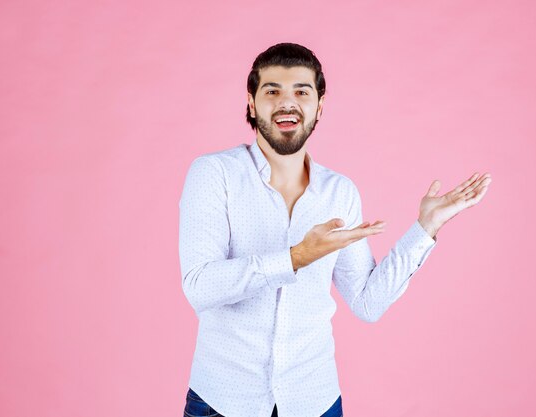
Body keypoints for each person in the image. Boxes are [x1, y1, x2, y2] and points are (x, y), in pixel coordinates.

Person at [179, 42, 492, 417]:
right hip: (223, 400)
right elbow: (200, 286)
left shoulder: (339, 192)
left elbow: (366, 303)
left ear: (319, 107)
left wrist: (427, 227)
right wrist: (297, 257)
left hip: (313, 400)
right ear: (251, 102)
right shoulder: (214, 174)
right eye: (272, 90)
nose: (286, 102)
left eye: (301, 91)